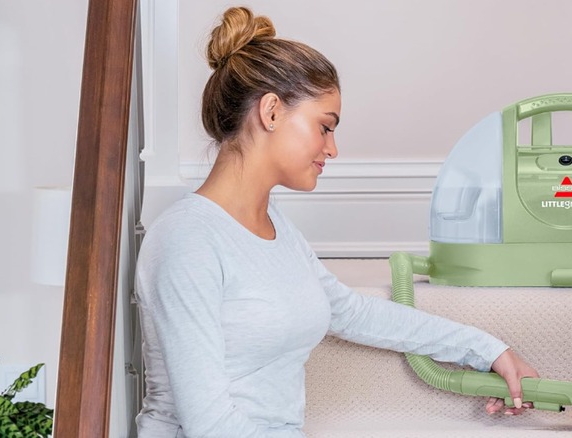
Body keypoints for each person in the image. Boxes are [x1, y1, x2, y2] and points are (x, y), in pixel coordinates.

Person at [134, 6, 539, 437]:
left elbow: (350, 311)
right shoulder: (186, 240)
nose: (333, 149)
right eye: (325, 127)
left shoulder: (273, 225)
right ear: (271, 112)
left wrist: (488, 350)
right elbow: (209, 425)